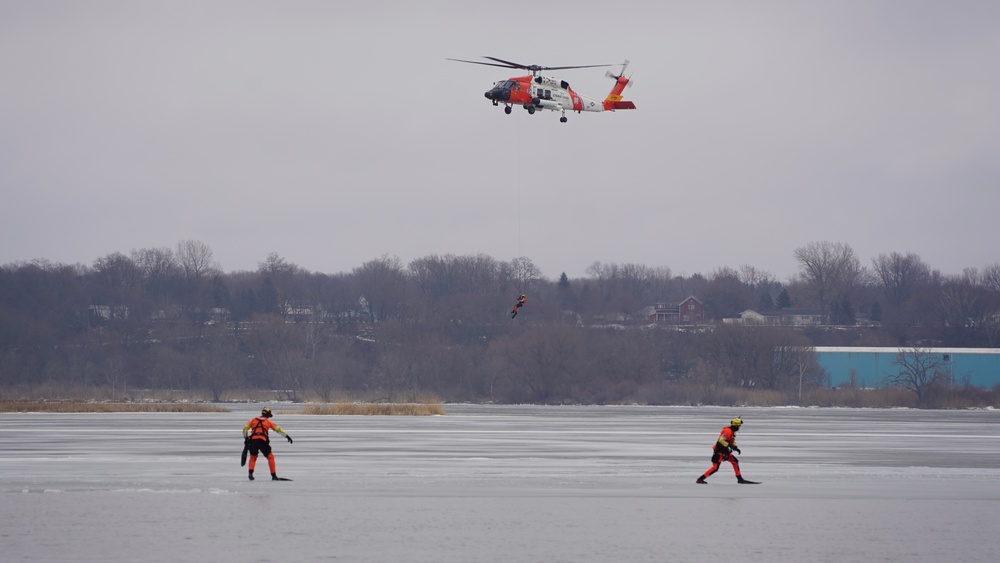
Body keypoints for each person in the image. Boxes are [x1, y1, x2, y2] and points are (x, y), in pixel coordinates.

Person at [696, 417, 756, 484]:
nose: (739, 428)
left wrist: (735, 447)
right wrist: (729, 445)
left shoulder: (733, 432)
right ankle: (700, 479)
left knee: (735, 461)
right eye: (738, 426)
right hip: (719, 452)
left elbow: (732, 441)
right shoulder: (727, 431)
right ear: (735, 425)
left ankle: (740, 479)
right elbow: (721, 440)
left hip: (725, 452)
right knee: (715, 468)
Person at [242, 407, 293, 481]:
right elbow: (278, 430)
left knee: (253, 457)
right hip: (262, 441)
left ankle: (250, 474)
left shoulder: (253, 420)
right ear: (268, 415)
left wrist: (246, 438)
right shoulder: (268, 422)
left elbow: (245, 428)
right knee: (270, 457)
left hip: (253, 441)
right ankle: (273, 475)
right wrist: (287, 436)